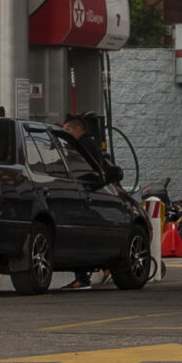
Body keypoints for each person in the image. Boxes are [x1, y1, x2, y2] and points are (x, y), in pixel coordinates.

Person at [59, 114, 117, 291]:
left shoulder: (83, 145)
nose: (66, 134)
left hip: (86, 192)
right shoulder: (90, 143)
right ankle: (104, 267)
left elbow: (79, 167)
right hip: (92, 191)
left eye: (68, 130)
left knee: (79, 235)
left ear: (77, 129)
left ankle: (83, 278)